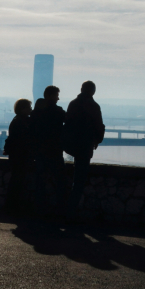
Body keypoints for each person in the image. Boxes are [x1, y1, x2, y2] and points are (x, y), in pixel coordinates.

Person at [63, 81, 105, 221]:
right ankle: (71, 211)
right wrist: (97, 140)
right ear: (93, 91)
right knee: (79, 179)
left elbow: (67, 123)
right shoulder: (93, 106)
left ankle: (67, 210)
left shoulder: (73, 103)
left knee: (75, 178)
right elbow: (98, 125)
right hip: (85, 145)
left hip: (73, 145)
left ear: (81, 89)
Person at [30, 86, 67, 216]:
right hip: (55, 151)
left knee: (40, 180)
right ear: (51, 96)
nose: (58, 98)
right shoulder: (58, 112)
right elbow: (69, 122)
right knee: (60, 181)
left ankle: (39, 208)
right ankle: (60, 209)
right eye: (57, 95)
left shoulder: (36, 112)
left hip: (40, 151)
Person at [4, 98, 33, 213]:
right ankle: (13, 206)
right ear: (23, 109)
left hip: (17, 156)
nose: (31, 110)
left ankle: (12, 205)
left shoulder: (17, 121)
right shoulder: (21, 122)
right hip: (20, 156)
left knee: (16, 180)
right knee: (18, 181)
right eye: (29, 108)